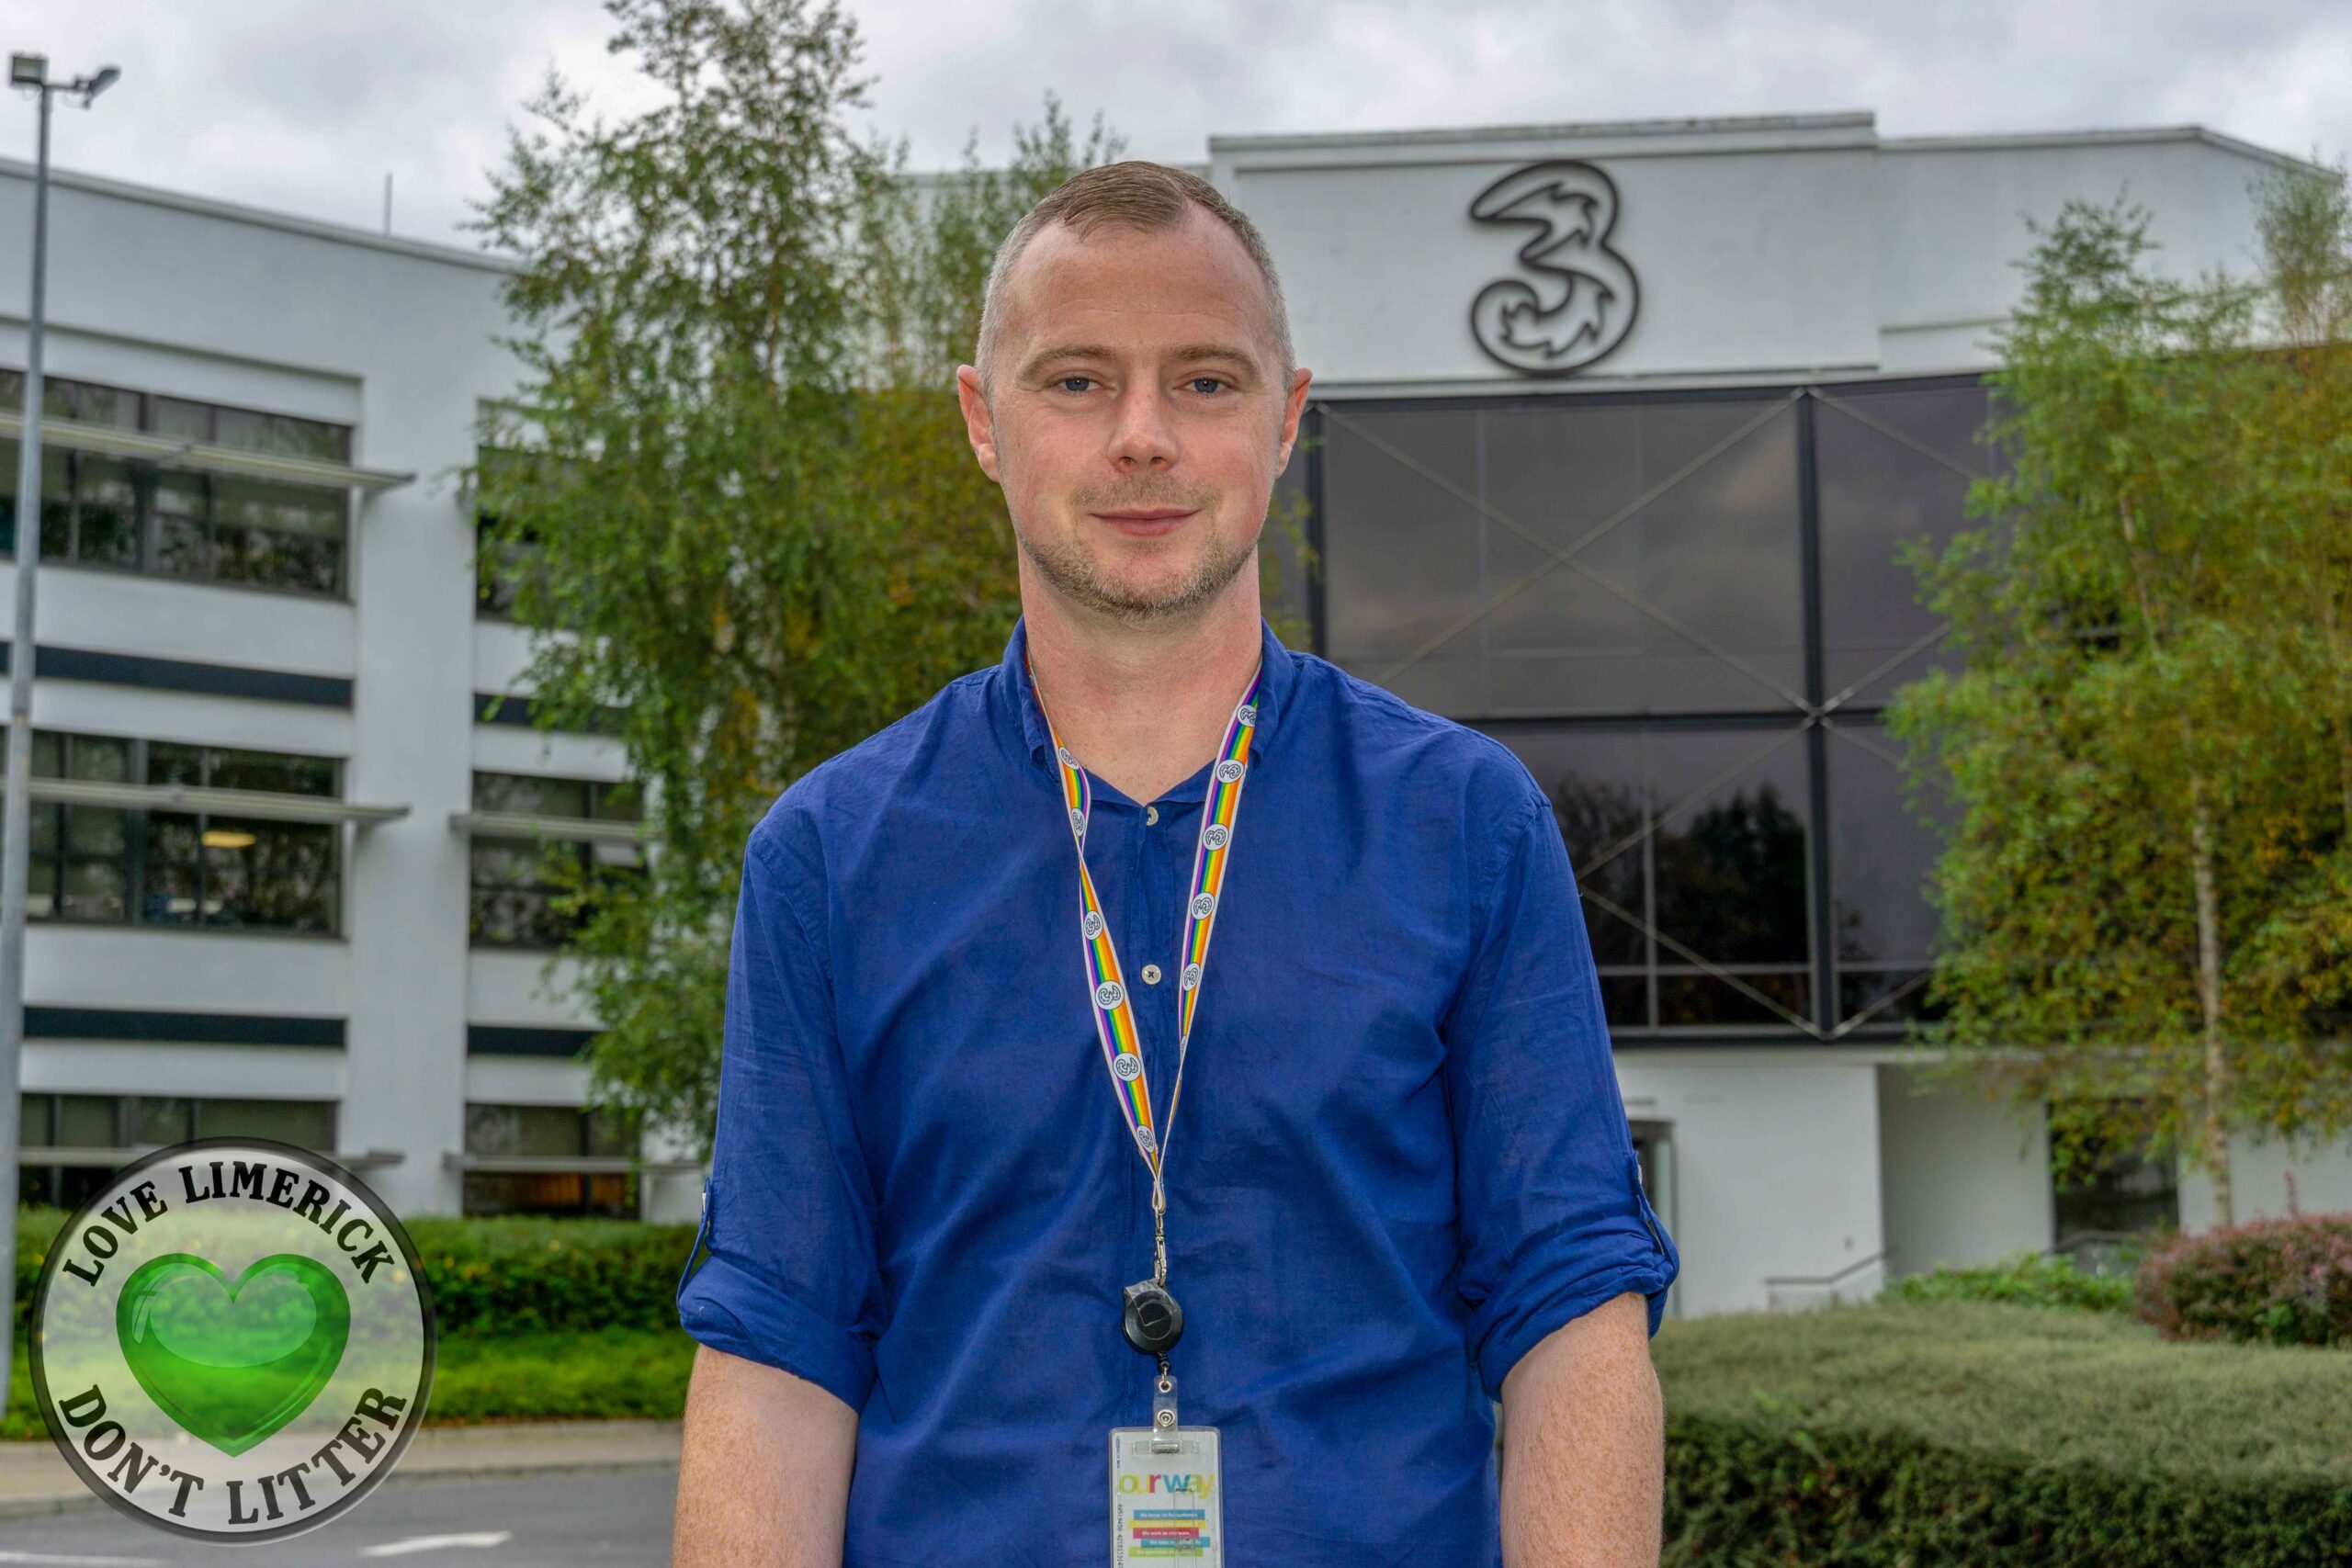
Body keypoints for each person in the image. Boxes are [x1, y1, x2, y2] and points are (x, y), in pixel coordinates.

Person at [672, 159, 1680, 1567]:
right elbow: (779, 1358)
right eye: (1076, 381)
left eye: (1205, 382)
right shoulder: (829, 860)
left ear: (1287, 420)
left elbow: (1573, 1316)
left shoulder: (1468, 824)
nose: (1142, 436)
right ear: (982, 417)